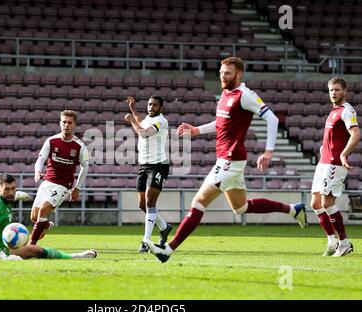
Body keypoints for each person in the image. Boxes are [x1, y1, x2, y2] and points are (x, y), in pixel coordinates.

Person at [145, 56, 307, 263]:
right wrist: (197, 130)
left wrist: (268, 151)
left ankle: (167, 249)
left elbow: (273, 118)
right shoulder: (225, 94)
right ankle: (294, 209)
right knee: (241, 208)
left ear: (239, 74)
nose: (223, 76)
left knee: (198, 202)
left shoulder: (245, 95)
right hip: (227, 159)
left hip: (230, 160)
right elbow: (221, 122)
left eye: (227, 73)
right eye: (221, 72)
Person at [310, 77, 360, 256]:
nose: (334, 93)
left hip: (334, 164)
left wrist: (344, 153)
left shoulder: (347, 111)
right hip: (324, 162)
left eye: (337, 90)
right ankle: (332, 242)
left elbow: (355, 133)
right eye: (331, 90)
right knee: (316, 203)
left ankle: (344, 243)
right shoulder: (333, 111)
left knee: (327, 202)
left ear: (344, 91)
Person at [29, 110, 89, 245]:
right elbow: (40, 159)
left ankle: (31, 245)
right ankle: (46, 225)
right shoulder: (51, 141)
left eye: (70, 123)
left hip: (63, 186)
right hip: (47, 182)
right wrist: (37, 171)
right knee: (34, 217)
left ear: (75, 125)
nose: (66, 125)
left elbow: (85, 167)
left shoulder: (80, 147)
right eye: (64, 122)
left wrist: (77, 188)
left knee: (43, 210)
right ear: (60, 123)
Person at [124, 96, 173, 253]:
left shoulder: (161, 121)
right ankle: (164, 228)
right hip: (143, 166)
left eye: (155, 105)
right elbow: (140, 120)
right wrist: (133, 109)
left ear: (161, 108)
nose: (151, 107)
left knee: (150, 203)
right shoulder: (146, 119)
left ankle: (146, 241)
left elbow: (144, 133)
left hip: (158, 166)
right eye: (150, 104)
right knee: (142, 204)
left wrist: (131, 120)